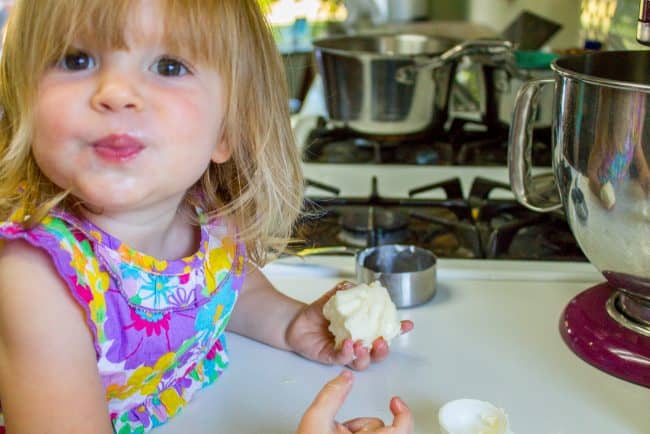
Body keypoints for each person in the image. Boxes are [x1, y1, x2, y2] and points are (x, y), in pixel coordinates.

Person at [0, 1, 413, 433]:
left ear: (227, 131)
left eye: (169, 66)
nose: (116, 93)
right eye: (77, 59)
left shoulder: (203, 212)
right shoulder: (38, 281)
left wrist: (292, 324)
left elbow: (221, 293)